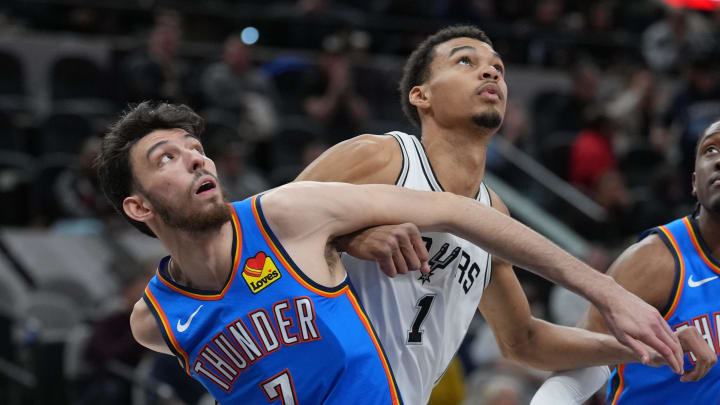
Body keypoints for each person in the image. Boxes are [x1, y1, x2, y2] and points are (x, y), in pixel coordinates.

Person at [95, 102, 684, 404]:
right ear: (138, 208)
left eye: (195, 148)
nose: (196, 158)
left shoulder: (284, 215)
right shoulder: (155, 322)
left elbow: (459, 213)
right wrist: (355, 236)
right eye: (165, 158)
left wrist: (607, 293)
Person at [296, 25, 691, 405]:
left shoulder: (492, 213)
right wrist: (348, 239)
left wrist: (647, 347)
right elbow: (256, 231)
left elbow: (524, 341)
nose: (490, 71)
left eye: (498, 68)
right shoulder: (381, 157)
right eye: (464, 61)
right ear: (422, 96)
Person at [531, 120, 720, 404]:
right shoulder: (657, 259)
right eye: (711, 150)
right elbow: (579, 362)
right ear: (694, 183)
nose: (719, 160)